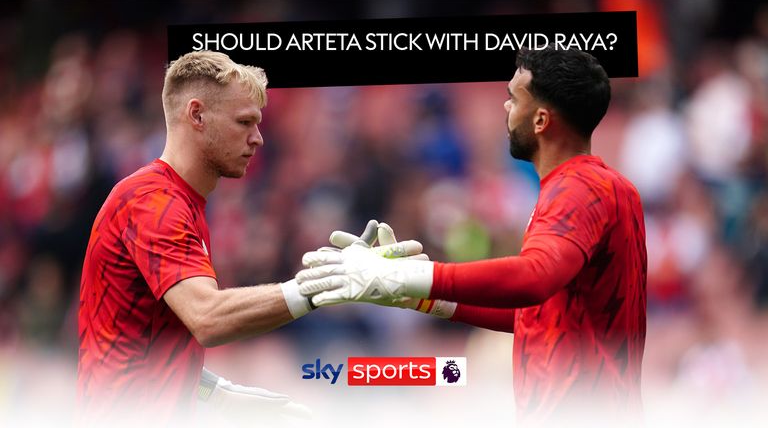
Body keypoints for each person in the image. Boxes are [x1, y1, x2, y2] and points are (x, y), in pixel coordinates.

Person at [298, 47, 647, 427]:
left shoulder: (579, 186)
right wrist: (422, 297)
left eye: (514, 98)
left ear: (542, 119)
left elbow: (534, 277)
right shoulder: (591, 187)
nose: (504, 108)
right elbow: (536, 316)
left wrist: (414, 276)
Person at [76, 50, 419, 427]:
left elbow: (141, 341)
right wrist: (329, 282)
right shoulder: (153, 202)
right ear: (197, 115)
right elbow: (207, 317)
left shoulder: (178, 201)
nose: (257, 139)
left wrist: (215, 393)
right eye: (244, 122)